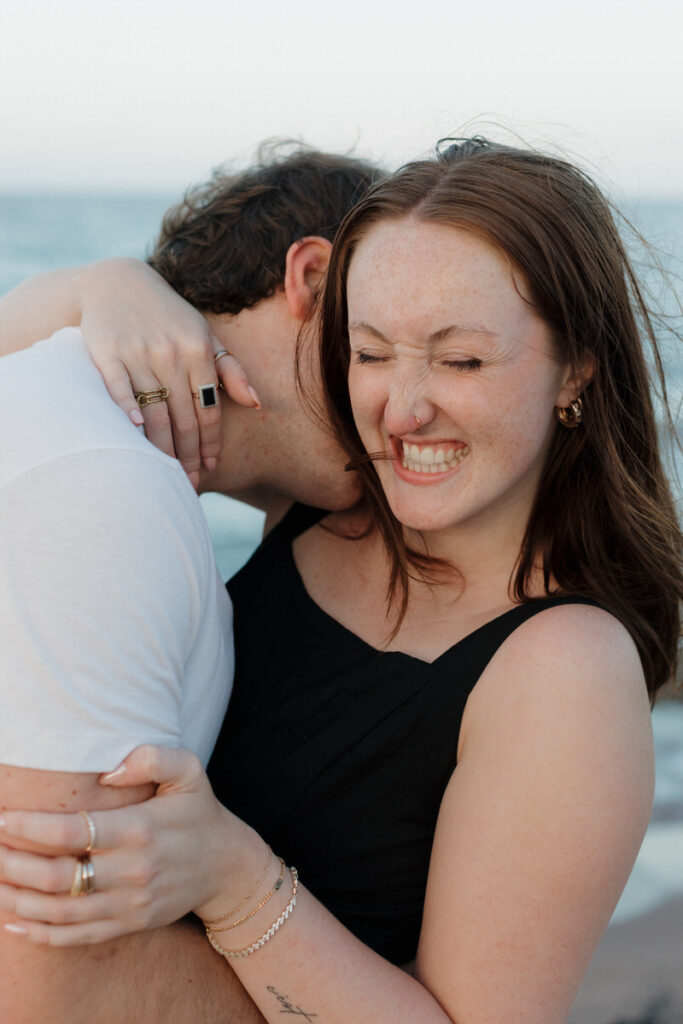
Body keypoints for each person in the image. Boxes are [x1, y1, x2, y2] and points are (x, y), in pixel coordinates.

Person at [1, 138, 681, 1024]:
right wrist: (110, 289)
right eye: (370, 353)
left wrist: (232, 876)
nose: (401, 410)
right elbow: (39, 389)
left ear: (575, 372)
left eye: (460, 361)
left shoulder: (567, 669)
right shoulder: (323, 505)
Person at [0, 145, 383, 1024]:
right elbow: (50, 976)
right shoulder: (103, 485)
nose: (405, 399)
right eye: (385, 340)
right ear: (313, 279)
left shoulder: (64, 416)